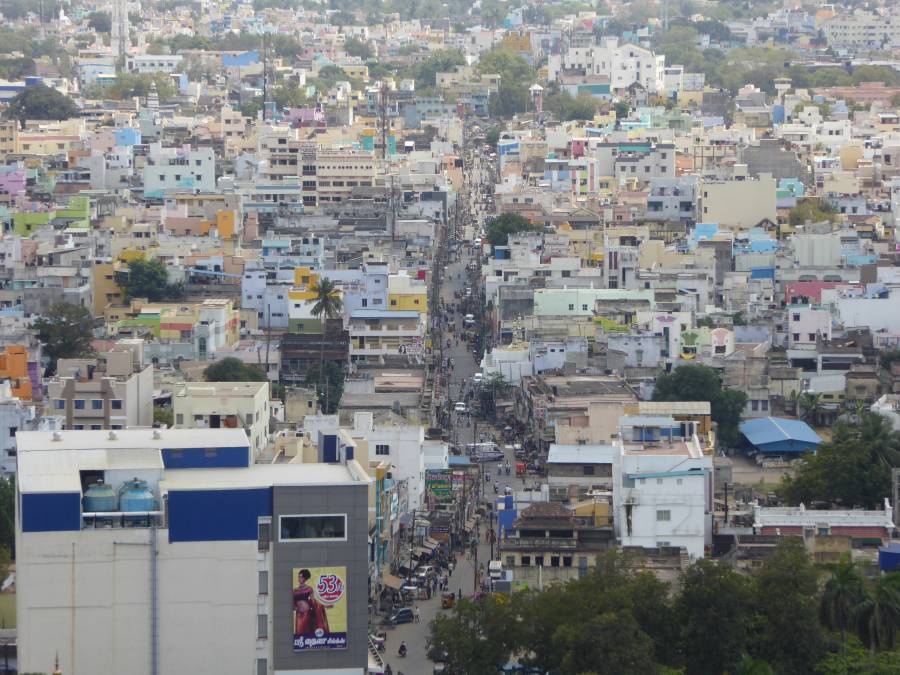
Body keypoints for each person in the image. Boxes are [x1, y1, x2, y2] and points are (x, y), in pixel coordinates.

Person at [293, 568, 330, 637]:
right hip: (299, 614)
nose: (299, 578)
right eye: (298, 576)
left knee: (307, 632)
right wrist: (296, 608)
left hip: (307, 613)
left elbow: (314, 601)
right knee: (299, 632)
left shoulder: (309, 589)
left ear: (305, 578)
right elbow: (292, 604)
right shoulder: (294, 590)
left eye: (301, 577)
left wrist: (325, 605)